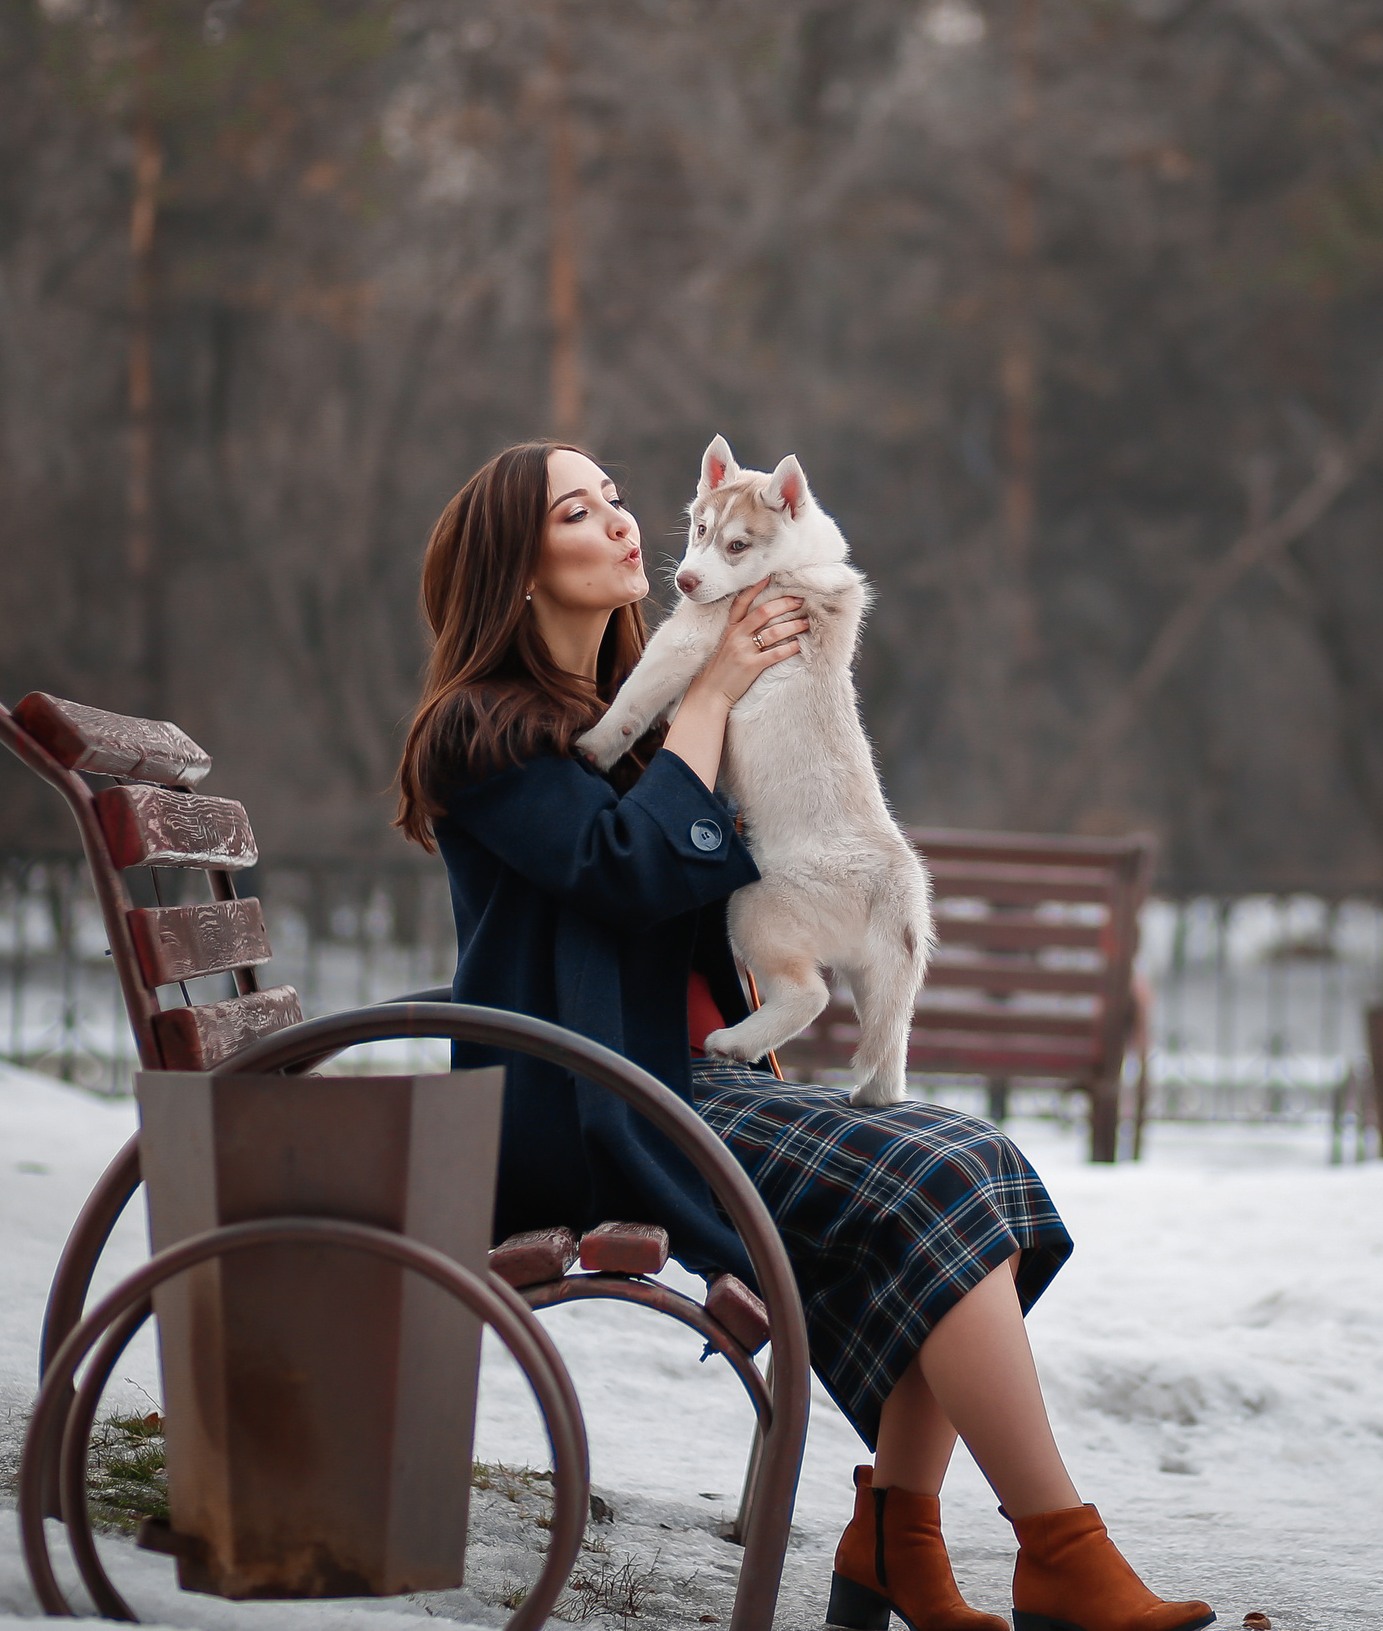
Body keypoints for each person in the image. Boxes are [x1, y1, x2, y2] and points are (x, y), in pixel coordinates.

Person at [394, 441, 1214, 1631]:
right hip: (583, 1110)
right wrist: (715, 694)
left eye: (620, 499)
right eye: (580, 511)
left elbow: (710, 871)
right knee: (931, 1176)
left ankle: (899, 1536)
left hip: (668, 1084)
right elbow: (628, 873)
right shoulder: (486, 732)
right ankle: (1055, 1551)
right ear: (515, 570)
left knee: (973, 1162)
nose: (623, 524)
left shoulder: (619, 708)